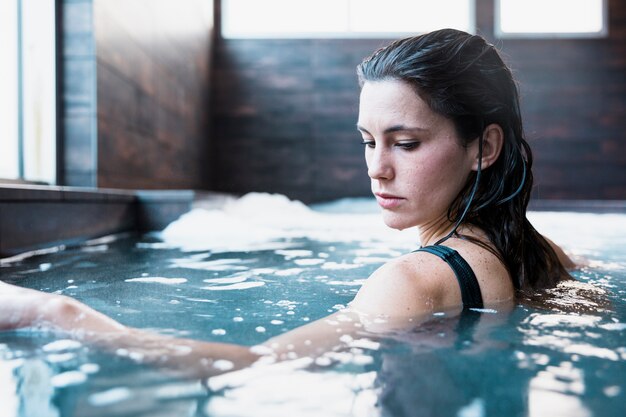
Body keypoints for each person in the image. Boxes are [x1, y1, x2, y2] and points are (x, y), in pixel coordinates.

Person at [0, 29, 574, 378]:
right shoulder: (527, 249)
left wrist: (53, 313)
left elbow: (252, 366)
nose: (377, 166)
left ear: (485, 146)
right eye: (368, 142)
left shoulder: (413, 281)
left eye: (406, 143)